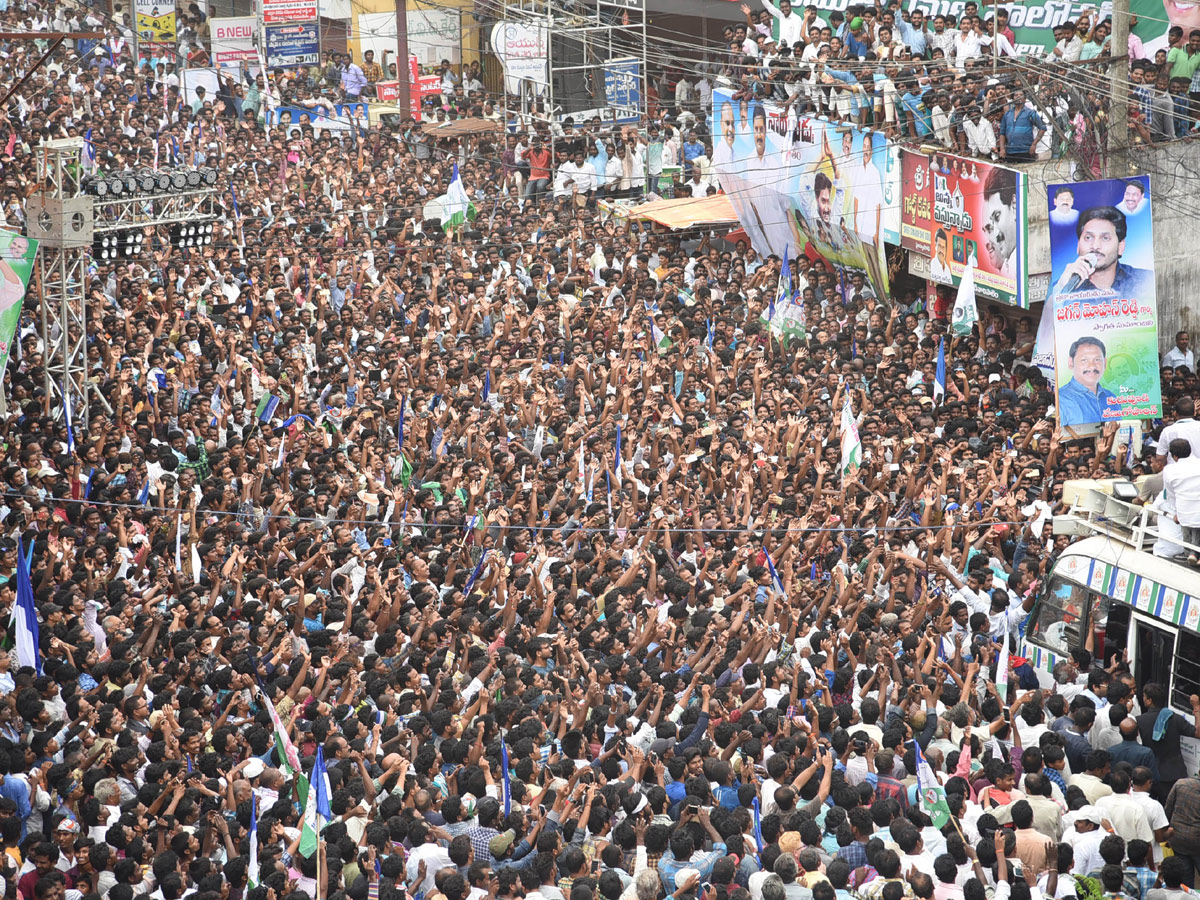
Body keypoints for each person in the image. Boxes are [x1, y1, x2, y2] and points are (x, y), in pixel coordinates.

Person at [1050, 206, 1154, 299]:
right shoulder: (1061, 286)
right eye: (1088, 237)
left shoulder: (1145, 281)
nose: (1095, 246)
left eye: (1105, 238)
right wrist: (1060, 289)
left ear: (1120, 247)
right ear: (1078, 246)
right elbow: (1047, 318)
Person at [1057, 336, 1117, 426]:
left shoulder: (1111, 398)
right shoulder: (1060, 399)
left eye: (1097, 360)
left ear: (1104, 363)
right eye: (1084, 360)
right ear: (1071, 363)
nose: (1092, 366)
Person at [1162, 438, 1200, 557]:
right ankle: (1195, 554)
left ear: (1174, 456)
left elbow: (1171, 494)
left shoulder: (1169, 470)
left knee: (1187, 527)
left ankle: (1190, 553)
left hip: (1184, 510)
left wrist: (1176, 511)